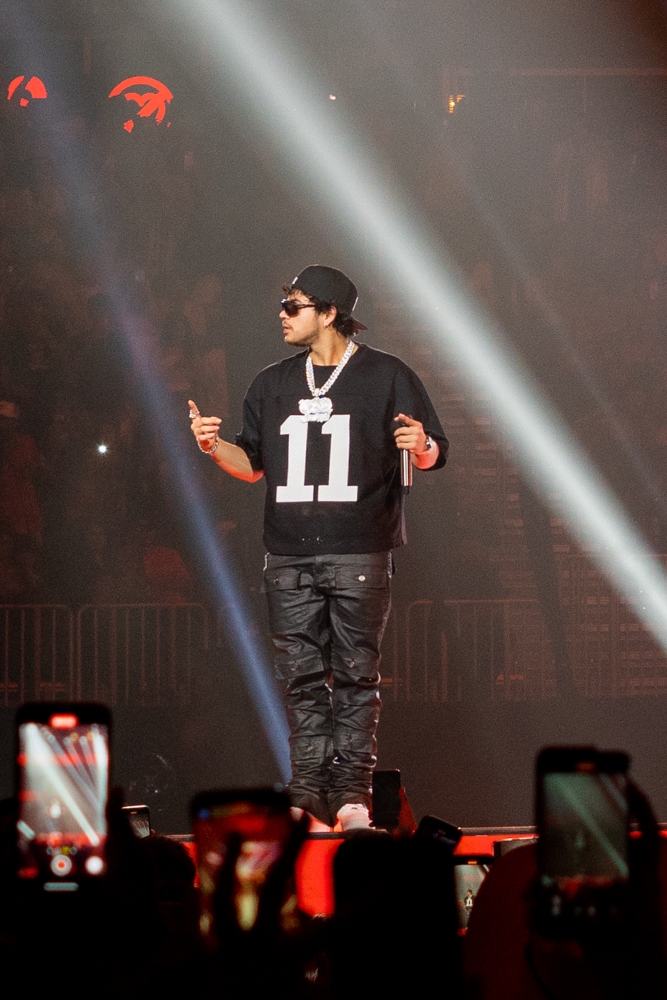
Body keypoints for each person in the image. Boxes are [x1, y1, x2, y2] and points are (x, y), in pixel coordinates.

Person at [189, 265, 448, 831]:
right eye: (284, 304)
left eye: (295, 305)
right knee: (301, 679)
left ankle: (352, 796)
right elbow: (252, 465)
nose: (282, 315)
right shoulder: (271, 383)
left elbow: (434, 451)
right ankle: (306, 793)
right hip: (287, 554)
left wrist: (421, 444)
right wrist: (213, 447)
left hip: (361, 550)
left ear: (330, 314)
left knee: (356, 677)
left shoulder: (386, 374)